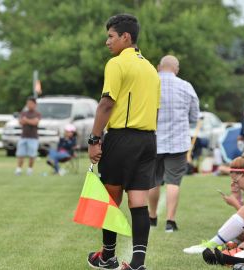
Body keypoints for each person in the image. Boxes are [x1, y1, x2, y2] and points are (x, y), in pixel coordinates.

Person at [86, 14, 160, 270]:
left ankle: (107, 256)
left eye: (111, 36)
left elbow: (107, 103)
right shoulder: (151, 69)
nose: (107, 42)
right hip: (149, 140)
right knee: (138, 202)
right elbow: (156, 110)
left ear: (125, 37)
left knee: (110, 198)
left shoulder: (117, 64)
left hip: (122, 138)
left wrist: (94, 139)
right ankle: (138, 262)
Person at [148, 55, 199, 233]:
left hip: (153, 140)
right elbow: (194, 116)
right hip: (178, 142)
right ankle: (170, 221)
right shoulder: (186, 86)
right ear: (176, 69)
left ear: (158, 67)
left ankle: (152, 216)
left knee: (153, 181)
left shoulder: (150, 83)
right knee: (173, 182)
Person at [15, 97, 41, 176]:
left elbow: (35, 123)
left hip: (33, 138)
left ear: (35, 104)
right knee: (20, 154)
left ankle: (30, 169)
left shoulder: (37, 114)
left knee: (32, 155)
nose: (29, 105)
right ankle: (19, 169)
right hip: (23, 136)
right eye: (28, 103)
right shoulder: (23, 113)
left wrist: (26, 120)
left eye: (31, 103)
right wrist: (28, 121)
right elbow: (20, 122)